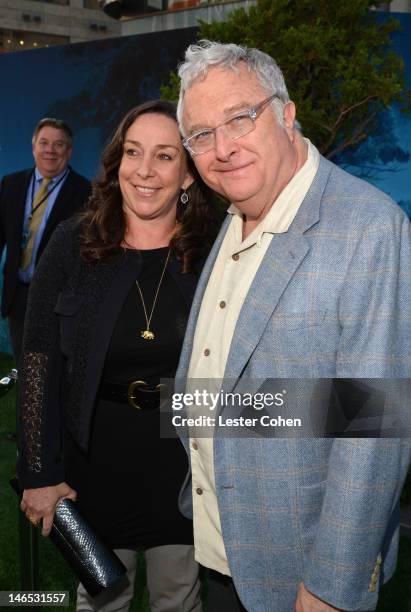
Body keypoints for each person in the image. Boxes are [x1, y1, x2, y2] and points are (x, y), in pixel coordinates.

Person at [174, 41, 411, 611]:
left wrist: (332, 584)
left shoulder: (367, 227)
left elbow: (378, 427)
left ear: (285, 112)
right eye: (201, 135)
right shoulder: (235, 216)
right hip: (223, 549)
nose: (223, 148)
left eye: (239, 118)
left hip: (302, 574)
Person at [17, 100, 219, 612]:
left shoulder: (214, 249)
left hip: (182, 466)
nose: (145, 171)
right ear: (117, 161)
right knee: (101, 597)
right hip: (93, 464)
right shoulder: (73, 242)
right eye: (133, 152)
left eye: (165, 156)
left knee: (179, 598)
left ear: (190, 175)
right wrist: (39, 471)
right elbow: (39, 358)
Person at [0, 117, 91, 364]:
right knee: (25, 369)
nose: (50, 150)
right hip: (18, 295)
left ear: (69, 151)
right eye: (44, 143)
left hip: (58, 301)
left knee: (53, 370)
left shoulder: (86, 192)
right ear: (33, 148)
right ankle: (28, 403)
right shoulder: (11, 184)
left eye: (58, 144)